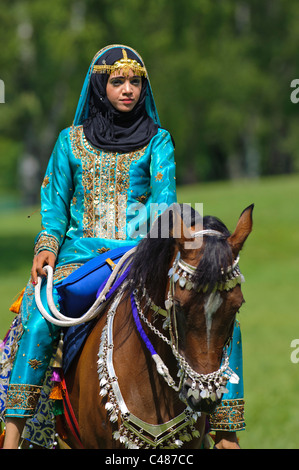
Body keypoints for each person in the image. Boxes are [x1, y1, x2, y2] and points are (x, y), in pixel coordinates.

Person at [0, 45, 244, 449]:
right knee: (38, 314)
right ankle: (15, 435)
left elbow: (165, 207)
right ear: (99, 86)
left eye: (135, 82)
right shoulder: (69, 142)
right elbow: (56, 207)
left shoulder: (158, 141)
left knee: (215, 305)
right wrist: (46, 245)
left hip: (138, 256)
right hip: (78, 260)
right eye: (117, 81)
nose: (128, 89)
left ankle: (226, 430)